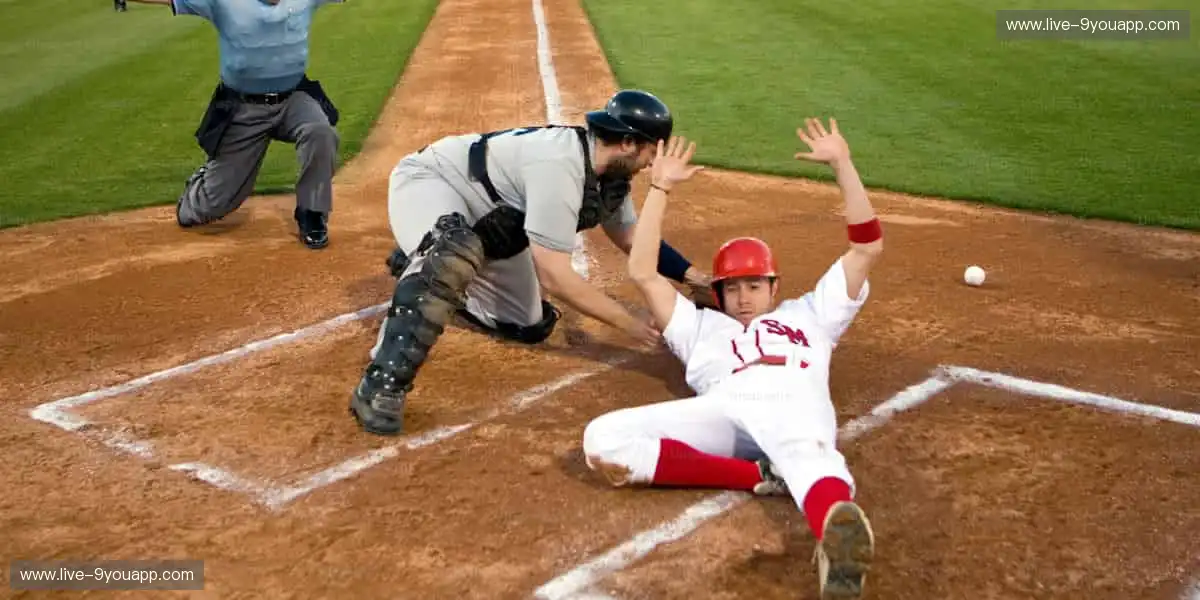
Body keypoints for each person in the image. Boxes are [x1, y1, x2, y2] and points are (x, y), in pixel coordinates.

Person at [580, 118, 884, 600]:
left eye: (754, 286)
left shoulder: (812, 314)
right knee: (602, 438)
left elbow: (866, 247)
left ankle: (836, 538)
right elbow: (642, 269)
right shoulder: (699, 327)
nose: (743, 298)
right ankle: (759, 477)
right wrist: (659, 188)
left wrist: (843, 164)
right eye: (732, 288)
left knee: (810, 457)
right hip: (724, 408)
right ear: (716, 292)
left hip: (793, 398)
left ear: (773, 287)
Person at [349, 89, 715, 436]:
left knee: (528, 324)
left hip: (489, 223)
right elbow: (554, 276)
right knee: (451, 256)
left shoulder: (608, 176)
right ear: (628, 143)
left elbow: (633, 239)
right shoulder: (561, 165)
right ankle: (381, 383)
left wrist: (693, 276)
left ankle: (425, 263)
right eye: (652, 150)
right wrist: (630, 323)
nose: (653, 162)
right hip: (433, 184)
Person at [124, 0, 343, 249]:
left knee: (320, 131)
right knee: (202, 211)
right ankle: (201, 185)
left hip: (294, 98)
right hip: (244, 109)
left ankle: (312, 213)